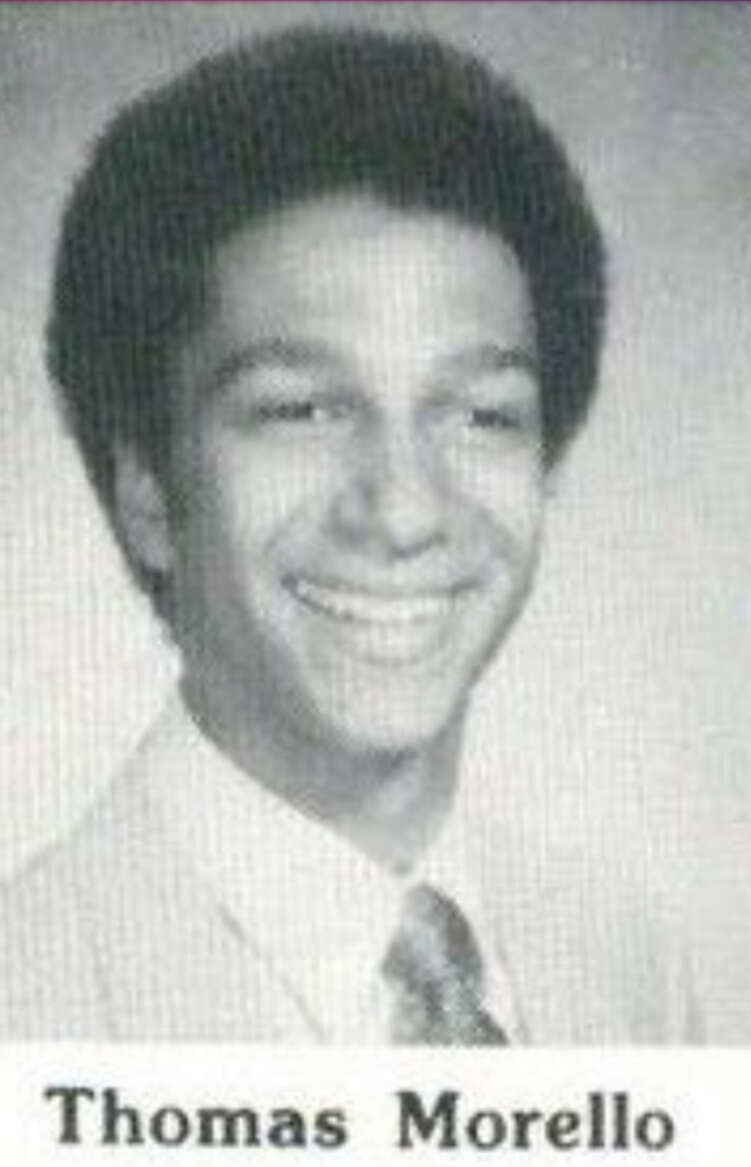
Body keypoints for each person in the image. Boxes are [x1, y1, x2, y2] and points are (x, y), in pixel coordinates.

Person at [0, 26, 699, 1042]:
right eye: (303, 410)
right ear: (147, 487)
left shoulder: (630, 972)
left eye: (480, 414)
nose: (405, 512)